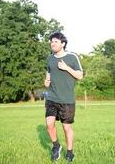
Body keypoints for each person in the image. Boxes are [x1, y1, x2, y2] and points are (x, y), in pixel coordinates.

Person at [44, 32, 83, 162]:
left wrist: (66, 68)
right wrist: (46, 81)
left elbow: (80, 76)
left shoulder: (72, 57)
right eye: (51, 41)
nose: (52, 43)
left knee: (66, 128)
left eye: (55, 41)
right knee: (49, 124)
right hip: (52, 97)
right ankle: (56, 146)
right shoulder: (50, 58)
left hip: (67, 100)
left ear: (63, 43)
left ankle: (70, 153)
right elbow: (48, 72)